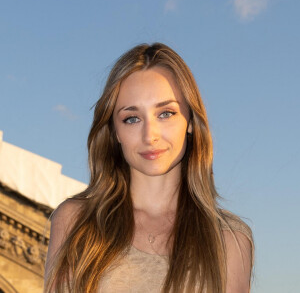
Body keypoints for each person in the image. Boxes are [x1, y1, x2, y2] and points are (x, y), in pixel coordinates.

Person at [44, 42, 254, 293]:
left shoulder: (230, 239)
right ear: (115, 132)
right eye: (132, 118)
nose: (149, 135)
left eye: (165, 113)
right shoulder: (75, 220)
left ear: (190, 120)